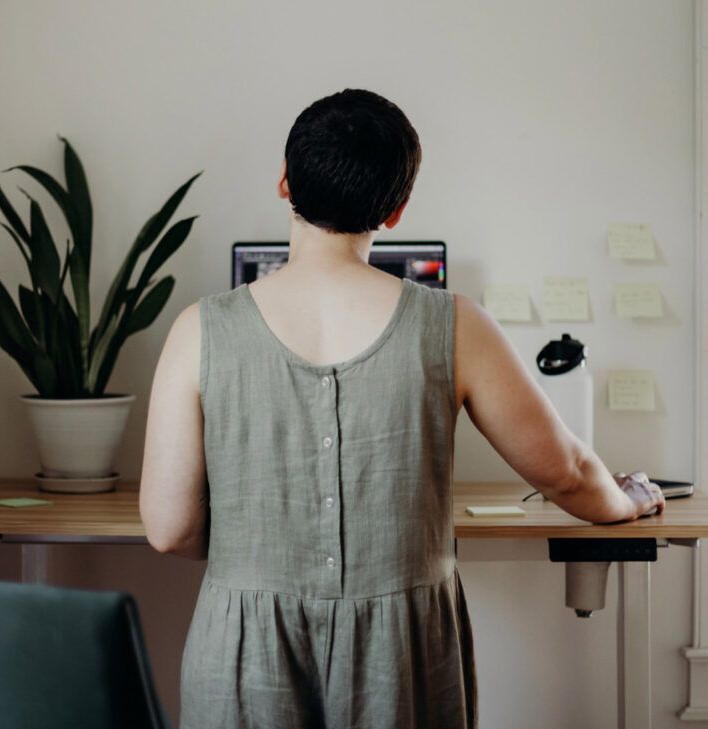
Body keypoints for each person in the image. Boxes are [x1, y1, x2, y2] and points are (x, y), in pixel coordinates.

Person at [138, 88, 665, 729]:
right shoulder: (455, 325)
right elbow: (567, 475)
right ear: (395, 210)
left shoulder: (200, 329)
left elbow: (169, 530)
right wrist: (628, 499)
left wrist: (260, 553)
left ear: (284, 182)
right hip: (402, 651)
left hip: (245, 647)